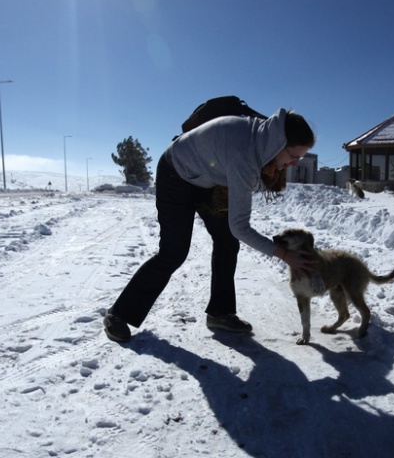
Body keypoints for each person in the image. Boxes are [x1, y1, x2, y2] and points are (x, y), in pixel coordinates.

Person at [104, 108, 316, 343]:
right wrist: (284, 255)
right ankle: (119, 314)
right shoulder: (245, 154)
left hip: (207, 178)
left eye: (300, 158)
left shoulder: (264, 140)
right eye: (293, 156)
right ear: (280, 143)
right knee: (173, 252)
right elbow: (240, 226)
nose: (294, 164)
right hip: (175, 173)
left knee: (227, 241)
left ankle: (220, 313)